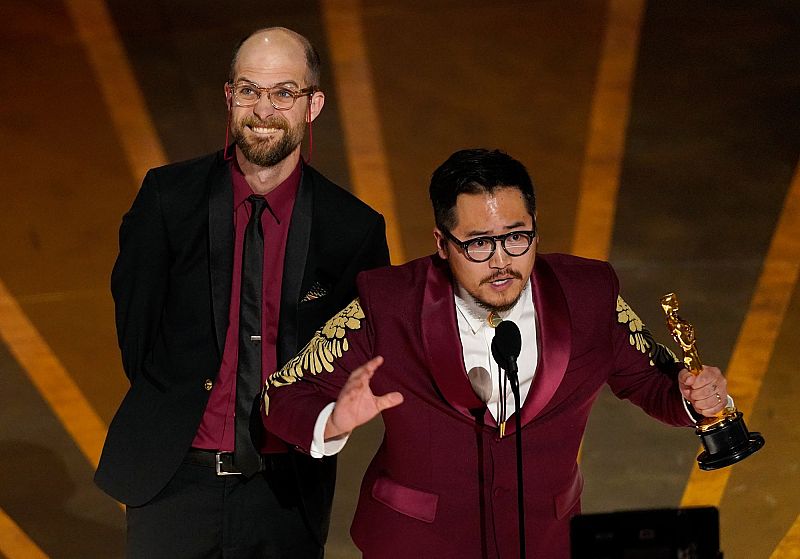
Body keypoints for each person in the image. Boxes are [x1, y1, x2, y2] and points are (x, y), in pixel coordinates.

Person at [263, 148, 729, 558]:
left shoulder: (588, 295)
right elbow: (281, 394)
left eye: (516, 236)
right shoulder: (388, 304)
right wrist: (333, 421)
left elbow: (653, 382)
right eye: (479, 243)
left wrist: (700, 399)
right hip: (415, 546)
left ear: (535, 233)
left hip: (547, 541)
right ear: (442, 244)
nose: (502, 260)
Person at [95, 27, 390, 558]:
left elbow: (351, 359)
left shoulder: (353, 231)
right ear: (230, 96)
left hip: (285, 491)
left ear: (313, 105)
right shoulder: (167, 201)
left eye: (284, 93)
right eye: (249, 89)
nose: (264, 108)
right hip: (171, 485)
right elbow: (135, 335)